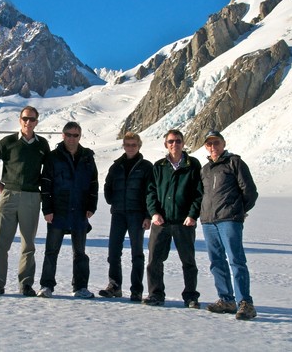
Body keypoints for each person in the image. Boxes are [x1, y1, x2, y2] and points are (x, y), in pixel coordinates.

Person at [0, 106, 50, 297]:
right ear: (20, 120)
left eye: (32, 119)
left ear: (37, 121)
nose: (29, 122)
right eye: (25, 119)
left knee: (28, 244)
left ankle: (26, 284)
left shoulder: (42, 145)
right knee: (1, 243)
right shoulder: (8, 142)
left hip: (31, 198)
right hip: (8, 196)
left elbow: (48, 172)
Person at [200, 130, 259, 320]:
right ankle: (226, 299)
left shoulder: (235, 162)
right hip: (209, 222)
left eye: (216, 143)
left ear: (223, 144)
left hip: (229, 220)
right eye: (209, 144)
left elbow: (249, 191)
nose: (213, 147)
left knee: (236, 260)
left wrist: (238, 211)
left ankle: (245, 303)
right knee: (216, 261)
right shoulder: (205, 169)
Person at [37, 122, 99, 298]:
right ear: (63, 135)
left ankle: (80, 287)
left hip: (80, 211)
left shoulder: (87, 156)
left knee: (80, 252)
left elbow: (94, 183)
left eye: (75, 135)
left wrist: (91, 206)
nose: (72, 138)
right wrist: (47, 209)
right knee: (51, 250)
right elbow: (46, 185)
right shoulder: (53, 157)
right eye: (69, 135)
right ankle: (46, 285)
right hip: (58, 210)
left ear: (80, 136)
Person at [143, 129, 203, 308]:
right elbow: (150, 192)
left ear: (183, 143)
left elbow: (199, 193)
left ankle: (191, 296)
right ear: (165, 144)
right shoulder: (159, 166)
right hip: (161, 222)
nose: (174, 144)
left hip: (184, 222)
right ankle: (156, 294)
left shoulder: (192, 165)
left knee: (188, 261)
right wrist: (154, 212)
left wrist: (193, 214)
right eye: (171, 141)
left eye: (177, 141)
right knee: (154, 260)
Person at [100, 132, 153, 302]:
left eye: (133, 145)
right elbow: (108, 186)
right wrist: (112, 201)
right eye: (127, 144)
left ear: (139, 146)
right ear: (123, 146)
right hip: (118, 214)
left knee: (137, 253)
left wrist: (147, 215)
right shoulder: (116, 166)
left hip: (137, 215)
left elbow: (151, 192)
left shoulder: (146, 167)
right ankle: (114, 286)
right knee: (113, 251)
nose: (130, 148)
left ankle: (136, 289)